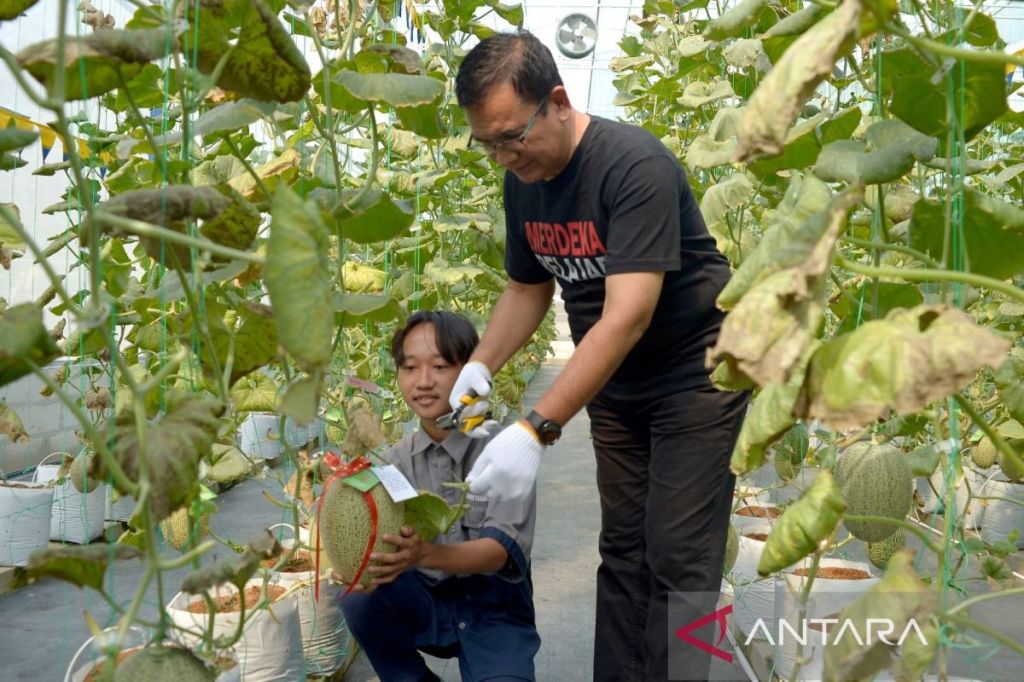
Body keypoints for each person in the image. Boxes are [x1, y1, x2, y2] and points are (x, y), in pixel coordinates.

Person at [451, 31, 749, 681]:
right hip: (618, 384)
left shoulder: (633, 166)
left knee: (680, 557)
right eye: (487, 144)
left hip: (697, 376)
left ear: (558, 102)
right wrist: (480, 366)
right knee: (624, 549)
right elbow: (527, 287)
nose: (504, 156)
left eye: (512, 136)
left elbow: (627, 316)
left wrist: (536, 427)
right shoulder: (524, 180)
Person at [337, 310, 541, 682]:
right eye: (410, 368)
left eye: (441, 366)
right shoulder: (394, 462)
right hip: (428, 605)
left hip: (495, 613)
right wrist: (355, 558)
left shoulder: (504, 450)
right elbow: (375, 540)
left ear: (471, 370)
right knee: (357, 596)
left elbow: (500, 551)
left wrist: (424, 553)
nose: (423, 381)